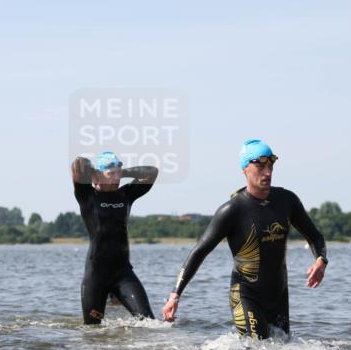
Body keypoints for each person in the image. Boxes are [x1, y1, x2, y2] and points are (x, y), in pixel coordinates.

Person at [162, 139, 328, 339]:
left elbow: (315, 237)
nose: (267, 172)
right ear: (245, 169)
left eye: (270, 166)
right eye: (260, 166)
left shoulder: (287, 201)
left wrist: (321, 260)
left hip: (278, 296)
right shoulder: (233, 209)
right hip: (246, 294)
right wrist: (175, 296)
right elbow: (199, 251)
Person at [72, 151, 158, 324]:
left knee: (150, 323)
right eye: (111, 174)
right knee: (92, 331)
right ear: (97, 175)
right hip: (96, 276)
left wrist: (122, 171)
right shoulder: (87, 196)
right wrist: (94, 172)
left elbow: (152, 171)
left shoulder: (126, 194)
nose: (116, 178)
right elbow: (78, 165)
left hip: (124, 273)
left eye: (118, 174)